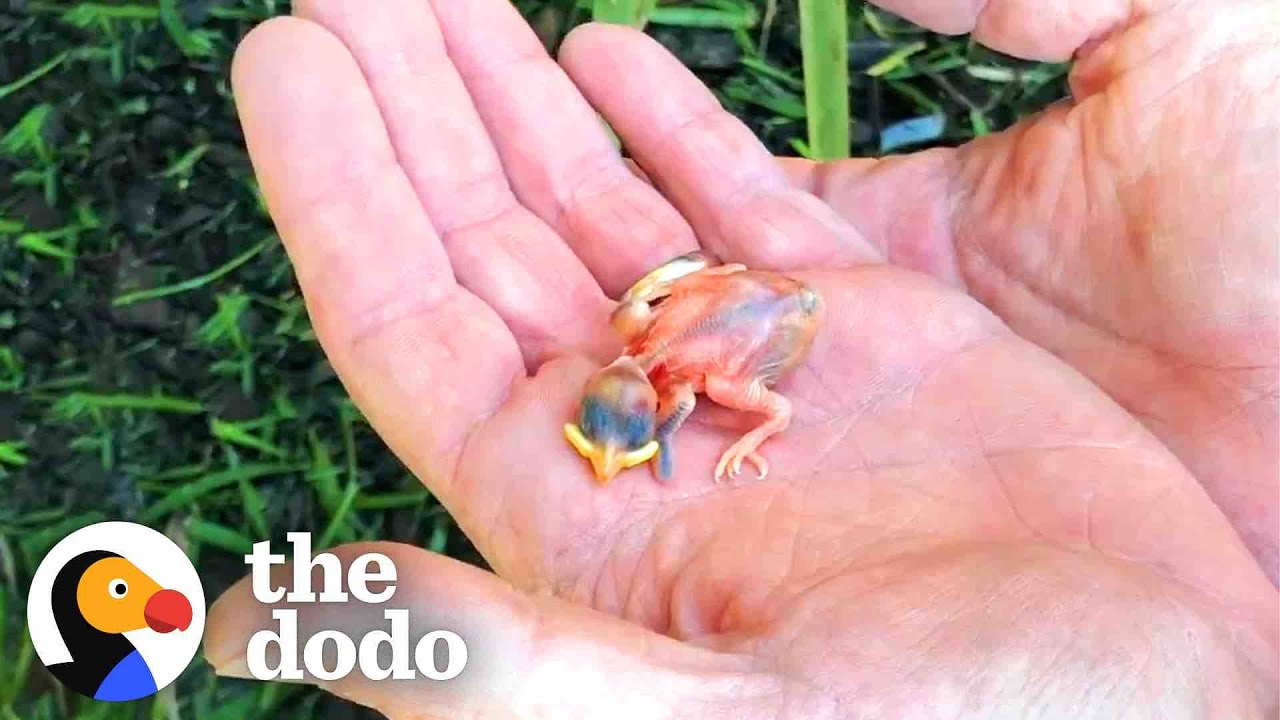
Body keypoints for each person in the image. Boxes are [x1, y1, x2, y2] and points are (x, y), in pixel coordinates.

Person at [205, 0, 1279, 715]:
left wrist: (739, 443)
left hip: (772, 314)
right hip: (738, 302)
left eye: (610, 436)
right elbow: (658, 323)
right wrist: (657, 303)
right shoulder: (648, 347)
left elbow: (767, 412)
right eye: (609, 431)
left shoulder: (705, 382)